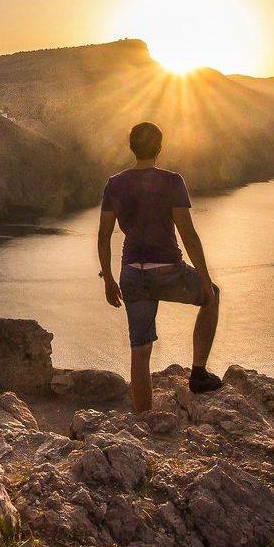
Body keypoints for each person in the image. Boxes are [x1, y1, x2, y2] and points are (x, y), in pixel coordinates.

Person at [97, 121, 221, 413]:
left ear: (131, 147)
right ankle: (199, 374)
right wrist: (204, 279)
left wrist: (109, 280)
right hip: (167, 271)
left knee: (140, 350)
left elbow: (104, 237)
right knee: (212, 295)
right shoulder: (172, 181)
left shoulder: (114, 184)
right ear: (160, 147)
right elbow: (188, 235)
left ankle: (143, 422)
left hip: (131, 275)